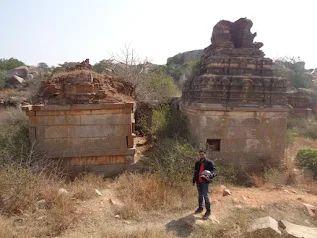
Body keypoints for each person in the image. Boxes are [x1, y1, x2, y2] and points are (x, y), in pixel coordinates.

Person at [192, 149, 217, 219]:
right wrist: (194, 181)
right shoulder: (197, 163)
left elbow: (215, 170)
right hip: (198, 181)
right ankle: (200, 208)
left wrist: (211, 175)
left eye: (203, 154)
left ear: (205, 155)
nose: (201, 156)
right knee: (200, 195)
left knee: (205, 196)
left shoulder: (209, 162)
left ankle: (208, 211)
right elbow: (196, 172)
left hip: (205, 181)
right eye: (200, 154)